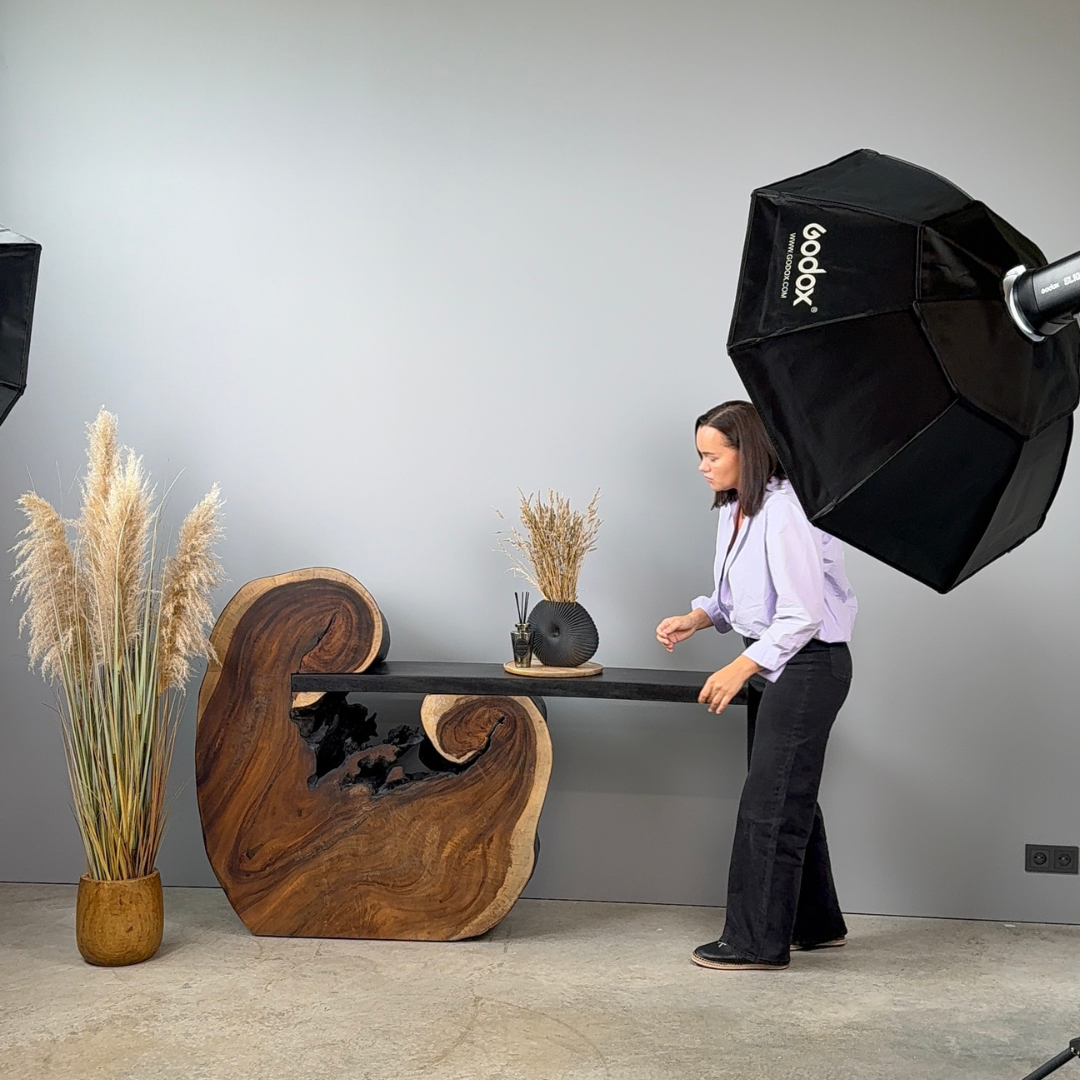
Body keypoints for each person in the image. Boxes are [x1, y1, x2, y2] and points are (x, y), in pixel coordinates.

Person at [656, 400, 857, 971]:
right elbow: (734, 598)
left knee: (770, 804)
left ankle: (755, 943)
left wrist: (740, 667)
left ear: (749, 453)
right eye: (700, 455)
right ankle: (814, 924)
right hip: (775, 662)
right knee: (785, 792)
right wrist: (697, 618)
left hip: (810, 664)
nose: (702, 467)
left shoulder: (787, 511)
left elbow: (802, 615)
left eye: (712, 455)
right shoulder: (735, 510)